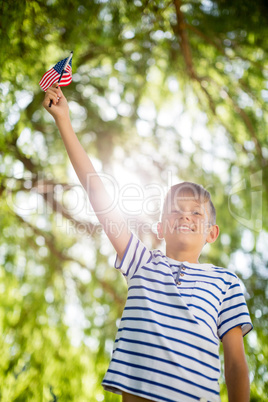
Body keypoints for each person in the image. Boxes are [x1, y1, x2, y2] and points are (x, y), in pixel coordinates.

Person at [43, 84, 253, 402]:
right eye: (175, 211)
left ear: (211, 232)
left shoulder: (225, 283)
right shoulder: (142, 262)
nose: (185, 216)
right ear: (160, 228)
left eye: (196, 212)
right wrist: (64, 121)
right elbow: (99, 196)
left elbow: (236, 363)